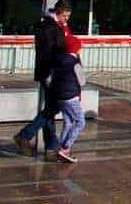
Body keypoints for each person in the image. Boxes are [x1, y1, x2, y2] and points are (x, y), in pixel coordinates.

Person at [14, 1, 71, 156]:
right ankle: (25, 135)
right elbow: (54, 51)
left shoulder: (49, 26)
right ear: (58, 13)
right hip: (51, 72)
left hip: (48, 71)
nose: (66, 20)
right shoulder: (50, 28)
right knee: (53, 108)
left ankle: (51, 145)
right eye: (65, 16)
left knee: (50, 109)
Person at [49, 33, 87, 163]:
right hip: (71, 97)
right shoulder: (75, 63)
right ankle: (66, 147)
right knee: (81, 122)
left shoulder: (58, 60)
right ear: (76, 48)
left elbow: (51, 78)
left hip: (59, 96)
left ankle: (60, 148)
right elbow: (82, 81)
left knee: (68, 122)